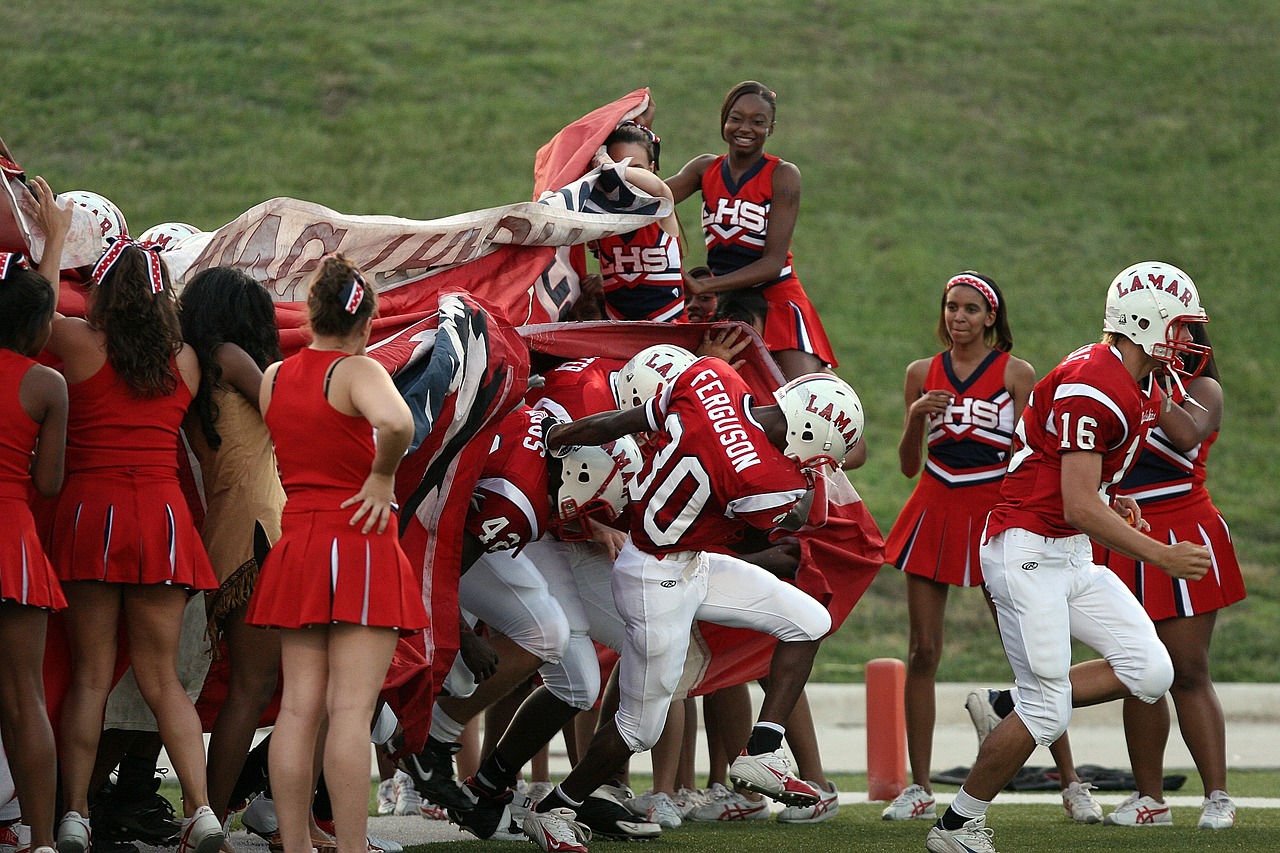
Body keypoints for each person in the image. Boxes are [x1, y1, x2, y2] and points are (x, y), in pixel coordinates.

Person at [924, 261, 1214, 853]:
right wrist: (1160, 554)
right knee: (1048, 711)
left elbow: (1080, 486)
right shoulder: (1096, 385)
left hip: (1067, 552)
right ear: (1145, 321)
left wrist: (1118, 498)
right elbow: (1079, 504)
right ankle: (956, 825)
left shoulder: (1130, 379)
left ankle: (1006, 704)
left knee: (1152, 670)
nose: (1187, 341)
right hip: (1027, 550)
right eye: (1180, 326)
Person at [527, 357, 862, 853]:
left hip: (686, 561)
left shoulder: (712, 376)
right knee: (640, 728)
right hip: (656, 579)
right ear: (810, 435)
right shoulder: (766, 479)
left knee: (809, 620)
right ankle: (557, 807)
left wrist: (558, 438)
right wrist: (813, 479)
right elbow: (800, 525)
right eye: (822, 457)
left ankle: (763, 749)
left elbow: (624, 419)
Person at [37, 180, 224, 853]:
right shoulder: (187, 361)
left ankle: (76, 814)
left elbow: (33, 301)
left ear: (103, 293)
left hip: (92, 516)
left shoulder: (79, 343)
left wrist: (55, 239)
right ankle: (200, 811)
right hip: (164, 521)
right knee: (161, 677)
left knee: (91, 673)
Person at [882, 273, 1100, 823]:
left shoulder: (1017, 374)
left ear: (991, 318)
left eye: (971, 309)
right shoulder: (919, 374)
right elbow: (909, 466)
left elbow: (1039, 452)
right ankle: (920, 786)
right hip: (933, 507)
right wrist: (914, 419)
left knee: (1032, 653)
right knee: (922, 652)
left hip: (996, 515)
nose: (958, 317)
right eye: (951, 307)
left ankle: (1071, 781)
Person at [245, 254, 425, 853]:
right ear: (366, 318)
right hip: (357, 541)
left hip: (299, 541)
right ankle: (351, 847)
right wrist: (381, 478)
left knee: (297, 710)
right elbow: (398, 424)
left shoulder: (274, 375)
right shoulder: (358, 370)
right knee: (349, 713)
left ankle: (295, 845)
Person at [1094, 323, 1242, 829]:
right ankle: (1149, 798)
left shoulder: (1204, 388)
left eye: (1175, 328)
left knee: (1188, 669)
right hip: (1125, 532)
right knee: (1140, 673)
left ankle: (1217, 796)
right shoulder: (1112, 381)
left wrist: (1147, 384)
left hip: (1185, 527)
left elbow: (1183, 433)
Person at [177, 267, 287, 836]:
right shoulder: (229, 356)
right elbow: (288, 405)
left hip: (228, 532)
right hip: (258, 533)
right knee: (253, 689)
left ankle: (234, 811)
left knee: (259, 686)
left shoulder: (194, 363)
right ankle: (215, 816)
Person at [665, 81, 837, 379]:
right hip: (730, 300)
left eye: (758, 122)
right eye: (736, 118)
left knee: (799, 401)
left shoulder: (783, 175)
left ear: (771, 128)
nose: (745, 128)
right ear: (724, 120)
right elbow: (650, 201)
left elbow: (772, 264)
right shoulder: (704, 169)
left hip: (777, 299)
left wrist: (705, 286)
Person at [0, 245, 67, 853]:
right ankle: (42, 840)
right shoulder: (47, 384)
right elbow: (48, 484)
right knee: (25, 697)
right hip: (13, 542)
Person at [589, 124, 686, 323]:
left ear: (651, 169)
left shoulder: (662, 204)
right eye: (617, 167)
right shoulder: (599, 216)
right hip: (620, 334)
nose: (624, 179)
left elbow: (658, 188)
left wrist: (612, 168)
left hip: (671, 332)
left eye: (636, 169)